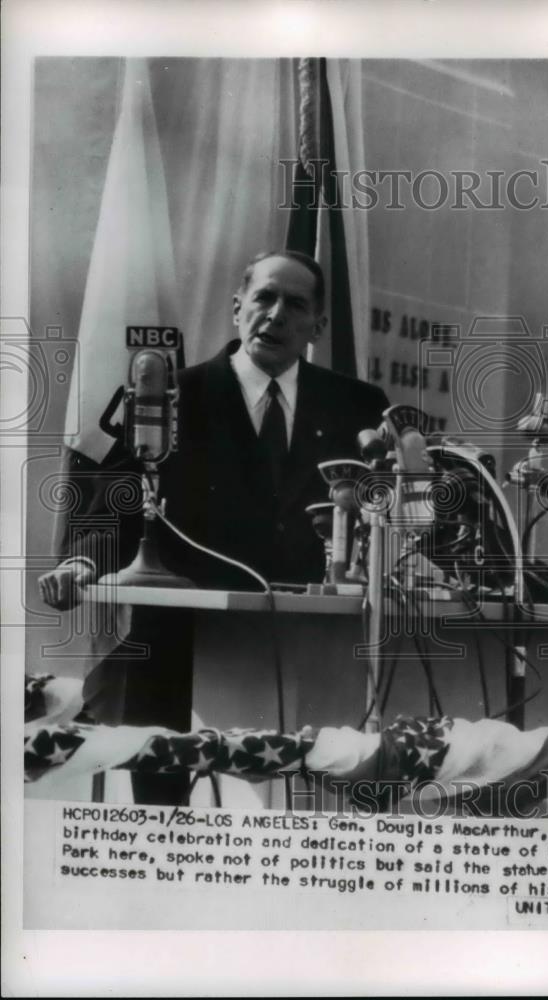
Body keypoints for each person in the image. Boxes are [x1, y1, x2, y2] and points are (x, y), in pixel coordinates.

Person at [38, 250, 389, 801]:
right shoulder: (168, 395)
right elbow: (116, 507)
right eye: (263, 298)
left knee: (315, 802)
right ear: (237, 308)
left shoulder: (359, 407)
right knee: (162, 815)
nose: (275, 315)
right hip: (181, 648)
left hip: (313, 646)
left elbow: (380, 512)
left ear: (317, 325)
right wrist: (82, 560)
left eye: (295, 305)